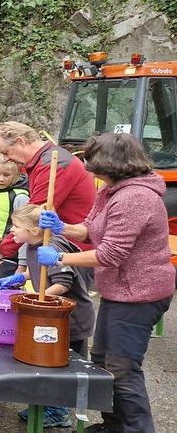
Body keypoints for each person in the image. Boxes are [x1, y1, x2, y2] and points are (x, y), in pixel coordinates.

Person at [36, 133, 173, 432]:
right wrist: (63, 227)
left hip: (141, 295)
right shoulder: (111, 190)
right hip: (118, 291)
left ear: (114, 165)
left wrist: (60, 260)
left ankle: (137, 429)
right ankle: (114, 425)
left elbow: (110, 253)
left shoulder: (136, 197)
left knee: (122, 368)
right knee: (102, 362)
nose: (89, 169)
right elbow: (90, 230)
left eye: (94, 164)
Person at [0, 204, 93, 429]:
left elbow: (63, 283)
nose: (12, 231)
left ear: (35, 230)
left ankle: (60, 410)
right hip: (51, 317)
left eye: (16, 226)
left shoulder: (50, 245)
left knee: (62, 366)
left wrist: (37, 297)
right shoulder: (32, 245)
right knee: (46, 360)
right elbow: (38, 270)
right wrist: (19, 278)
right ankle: (47, 404)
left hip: (69, 320)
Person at [0, 121, 97, 261]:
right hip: (63, 247)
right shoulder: (43, 161)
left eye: (6, 152)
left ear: (20, 142)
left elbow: (33, 215)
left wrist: (1, 251)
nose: (5, 159)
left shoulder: (54, 165)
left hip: (73, 252)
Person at [0, 152, 30, 280]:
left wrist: (22, 265)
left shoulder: (20, 197)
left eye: (7, 175)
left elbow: (26, 231)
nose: (1, 179)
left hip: (8, 259)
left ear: (16, 174)